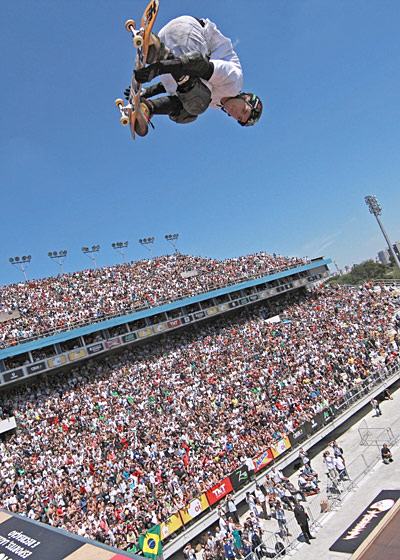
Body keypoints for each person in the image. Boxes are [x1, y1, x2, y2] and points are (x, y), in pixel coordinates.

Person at [126, 16, 263, 135]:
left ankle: (148, 108)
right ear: (245, 98)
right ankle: (162, 54)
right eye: (243, 110)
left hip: (166, 38)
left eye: (239, 118)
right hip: (188, 33)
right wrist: (159, 68)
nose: (236, 113)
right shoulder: (233, 82)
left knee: (188, 112)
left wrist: (145, 92)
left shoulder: (216, 103)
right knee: (199, 102)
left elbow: (181, 86)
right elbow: (200, 65)